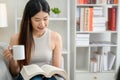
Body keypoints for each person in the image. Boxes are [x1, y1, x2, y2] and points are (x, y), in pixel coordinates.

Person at [3, 0, 62, 80]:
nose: (42, 24)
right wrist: (12, 59)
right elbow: (15, 72)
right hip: (26, 77)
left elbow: (56, 70)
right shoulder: (16, 38)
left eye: (45, 19)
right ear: (29, 20)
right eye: (37, 20)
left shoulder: (56, 37)